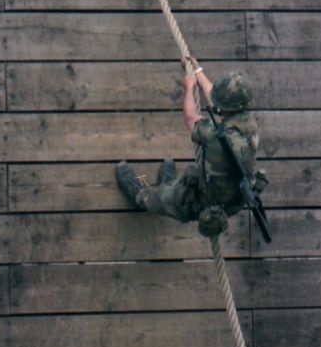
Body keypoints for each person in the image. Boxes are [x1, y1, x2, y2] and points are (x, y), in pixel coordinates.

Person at [115, 61, 268, 239]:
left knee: (158, 198)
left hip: (202, 201)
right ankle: (167, 182)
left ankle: (139, 194)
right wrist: (198, 71)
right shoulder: (249, 125)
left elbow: (190, 118)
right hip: (233, 197)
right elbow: (217, 99)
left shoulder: (214, 136)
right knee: (176, 185)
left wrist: (189, 88)